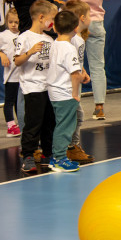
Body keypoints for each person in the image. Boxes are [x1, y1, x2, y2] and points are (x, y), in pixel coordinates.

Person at [64, 0, 113, 120]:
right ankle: (99, 107)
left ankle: (71, 102)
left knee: (69, 63)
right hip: (96, 22)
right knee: (98, 65)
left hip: (74, 22)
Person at [13, 0, 57, 174]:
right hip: (32, 87)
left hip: (48, 87)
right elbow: (17, 61)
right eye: (51, 18)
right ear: (41, 17)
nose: (52, 23)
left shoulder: (48, 39)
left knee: (49, 122)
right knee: (33, 123)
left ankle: (48, 153)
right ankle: (28, 155)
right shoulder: (24, 38)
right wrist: (30, 52)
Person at [45, 10, 84, 173]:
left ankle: (57, 156)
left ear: (54, 28)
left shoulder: (54, 44)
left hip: (54, 90)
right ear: (76, 28)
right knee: (66, 126)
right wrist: (75, 94)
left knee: (60, 124)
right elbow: (74, 75)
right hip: (65, 93)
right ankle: (60, 158)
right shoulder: (68, 48)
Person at [62, 0, 94, 164]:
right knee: (75, 116)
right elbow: (69, 61)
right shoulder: (73, 38)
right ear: (82, 18)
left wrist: (83, 70)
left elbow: (77, 60)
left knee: (77, 116)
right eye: (89, 15)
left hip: (75, 84)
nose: (91, 18)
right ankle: (70, 147)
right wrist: (77, 74)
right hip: (68, 87)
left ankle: (72, 146)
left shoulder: (80, 37)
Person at [0, 8, 22, 138]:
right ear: (6, 22)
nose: (13, 25)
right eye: (11, 22)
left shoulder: (24, 34)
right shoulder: (3, 35)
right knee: (10, 101)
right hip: (11, 76)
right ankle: (10, 125)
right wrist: (2, 55)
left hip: (24, 76)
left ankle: (21, 122)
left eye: (16, 22)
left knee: (20, 102)